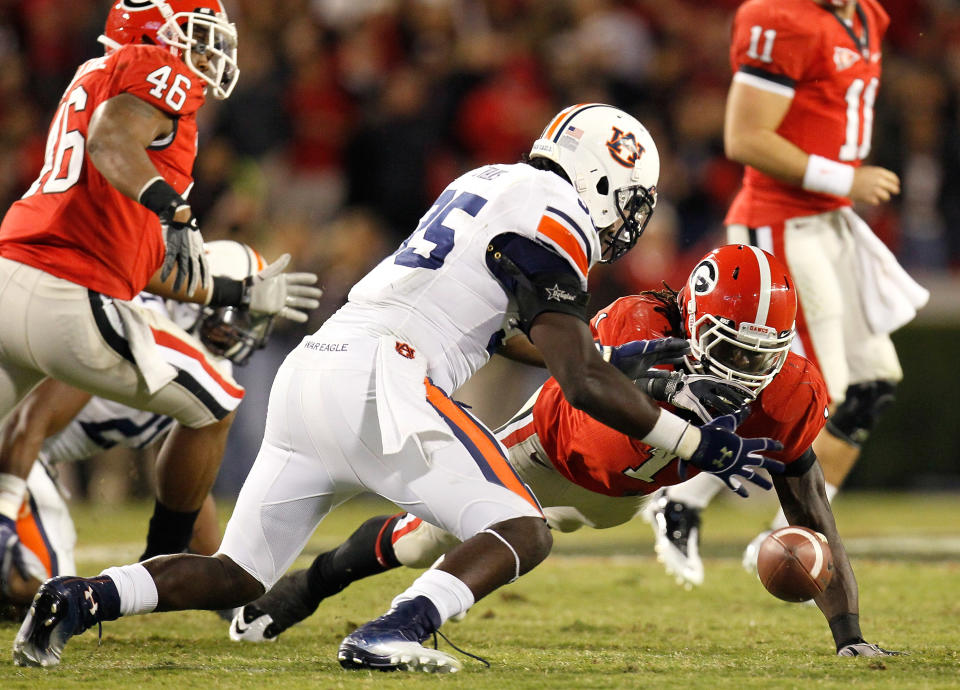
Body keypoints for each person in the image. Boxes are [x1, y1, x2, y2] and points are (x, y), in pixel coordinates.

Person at [13, 103, 783, 672]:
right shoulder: (560, 214)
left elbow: (505, 329)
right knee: (522, 528)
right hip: (385, 379)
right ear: (607, 178)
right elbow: (577, 376)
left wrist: (613, 363)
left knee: (237, 575)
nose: (628, 220)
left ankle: (81, 599)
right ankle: (394, 630)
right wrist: (691, 439)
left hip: (315, 369)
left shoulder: (491, 181)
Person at [230, 244, 899, 659]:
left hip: (622, 497)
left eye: (761, 356)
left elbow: (813, 513)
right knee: (418, 539)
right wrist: (662, 382)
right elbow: (586, 382)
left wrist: (849, 636)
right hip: (545, 450)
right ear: (693, 324)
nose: (745, 372)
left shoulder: (789, 392)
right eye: (728, 350)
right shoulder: (639, 322)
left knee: (508, 530)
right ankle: (312, 585)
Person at [0, 1, 321, 599]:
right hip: (65, 294)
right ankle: (153, 572)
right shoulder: (151, 68)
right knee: (218, 400)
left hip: (15, 272)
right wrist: (173, 208)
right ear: (155, 35)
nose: (209, 53)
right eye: (197, 37)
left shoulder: (96, 75)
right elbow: (110, 141)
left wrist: (233, 290)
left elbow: (136, 259)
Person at [644, 0, 929, 586]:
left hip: (831, 223)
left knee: (869, 387)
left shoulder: (868, 15)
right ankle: (683, 499)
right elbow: (745, 137)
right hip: (781, 221)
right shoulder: (781, 17)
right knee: (812, 388)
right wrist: (843, 176)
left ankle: (785, 531)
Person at [0, 241, 275, 615]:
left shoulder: (203, 368)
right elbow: (26, 421)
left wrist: (226, 586)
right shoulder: (127, 325)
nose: (243, 331)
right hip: (12, 459)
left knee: (45, 591)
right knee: (46, 588)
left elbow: (186, 485)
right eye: (236, 315)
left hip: (33, 462)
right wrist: (5, 508)